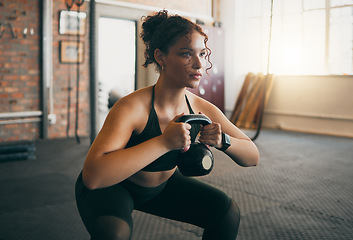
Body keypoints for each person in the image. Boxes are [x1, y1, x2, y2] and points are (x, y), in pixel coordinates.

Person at [75, 10, 259, 240]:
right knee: (114, 234)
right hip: (113, 188)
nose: (199, 63)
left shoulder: (203, 108)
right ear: (161, 57)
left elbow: (253, 156)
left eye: (202, 53)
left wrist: (224, 141)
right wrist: (163, 142)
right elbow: (93, 176)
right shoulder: (131, 108)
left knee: (226, 212)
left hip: (162, 187)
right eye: (186, 54)